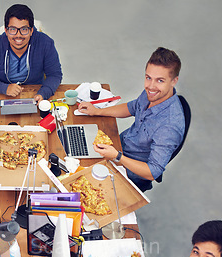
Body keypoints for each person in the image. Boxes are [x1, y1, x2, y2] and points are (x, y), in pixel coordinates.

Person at [78, 47, 185, 192]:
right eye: (148, 78)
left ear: (174, 81)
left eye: (160, 80)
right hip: (116, 148)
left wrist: (117, 156)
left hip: (127, 171)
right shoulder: (153, 93)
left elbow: (153, 172)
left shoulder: (169, 126)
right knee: (73, 147)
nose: (151, 86)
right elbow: (133, 107)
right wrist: (97, 111)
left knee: (78, 182)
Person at [0, 4, 63, 103]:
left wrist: (44, 93)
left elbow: (54, 74)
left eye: (24, 29)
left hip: (35, 94)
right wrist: (4, 88)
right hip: (3, 95)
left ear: (31, 30)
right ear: (6, 30)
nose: (18, 35)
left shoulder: (46, 43)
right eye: (13, 29)